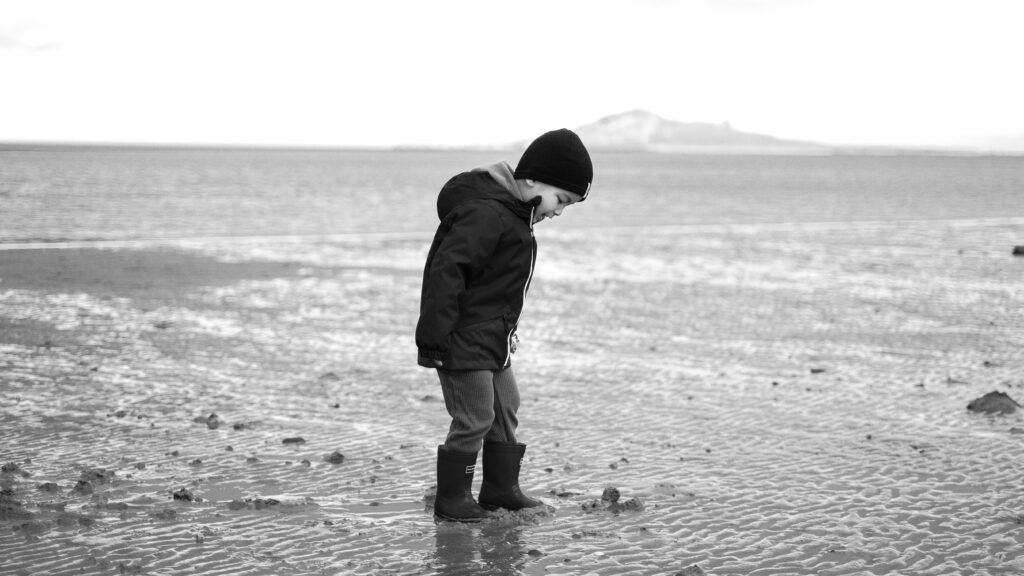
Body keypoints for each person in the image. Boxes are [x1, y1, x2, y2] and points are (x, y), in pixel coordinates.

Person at [416, 128, 593, 522]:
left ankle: (500, 488)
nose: (558, 211)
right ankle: (453, 500)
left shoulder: (514, 215)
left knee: (505, 407)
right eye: (560, 199)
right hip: (460, 339)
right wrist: (434, 340)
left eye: (568, 205)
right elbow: (447, 272)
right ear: (532, 179)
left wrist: (508, 331)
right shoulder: (487, 212)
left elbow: (496, 288)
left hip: (492, 338)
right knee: (475, 416)